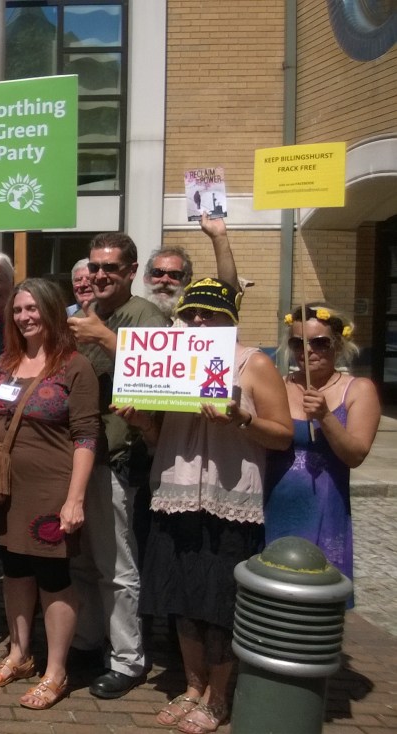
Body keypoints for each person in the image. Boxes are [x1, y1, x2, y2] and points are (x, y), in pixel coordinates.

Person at [130, 278, 292, 734]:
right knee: (182, 600)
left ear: (230, 318)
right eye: (191, 313)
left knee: (220, 606)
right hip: (176, 495)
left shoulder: (253, 363)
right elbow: (162, 438)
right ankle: (192, 686)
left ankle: (220, 698)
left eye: (210, 313)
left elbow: (282, 434)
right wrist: (143, 423)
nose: (199, 320)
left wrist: (244, 418)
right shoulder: (170, 360)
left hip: (228, 500)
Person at [0, 279, 99, 710]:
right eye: (19, 310)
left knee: (54, 579)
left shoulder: (75, 367)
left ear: (52, 311)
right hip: (5, 489)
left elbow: (86, 436)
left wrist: (75, 498)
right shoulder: (5, 362)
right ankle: (20, 654)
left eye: (33, 309)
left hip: (51, 490)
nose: (25, 317)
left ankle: (56, 671)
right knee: (15, 571)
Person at [65, 231, 167, 698]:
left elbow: (161, 376)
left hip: (120, 458)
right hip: (81, 456)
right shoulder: (89, 315)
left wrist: (105, 338)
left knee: (117, 566)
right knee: (83, 562)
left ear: (130, 271)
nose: (100, 274)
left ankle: (128, 658)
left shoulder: (146, 316)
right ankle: (88, 640)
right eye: (94, 266)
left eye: (110, 267)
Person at [266, 304, 378, 587]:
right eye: (298, 342)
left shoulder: (358, 389)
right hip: (275, 502)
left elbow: (355, 454)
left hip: (324, 505)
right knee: (273, 587)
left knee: (317, 593)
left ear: (338, 345)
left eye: (320, 342)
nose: (309, 350)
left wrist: (325, 417)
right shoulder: (278, 385)